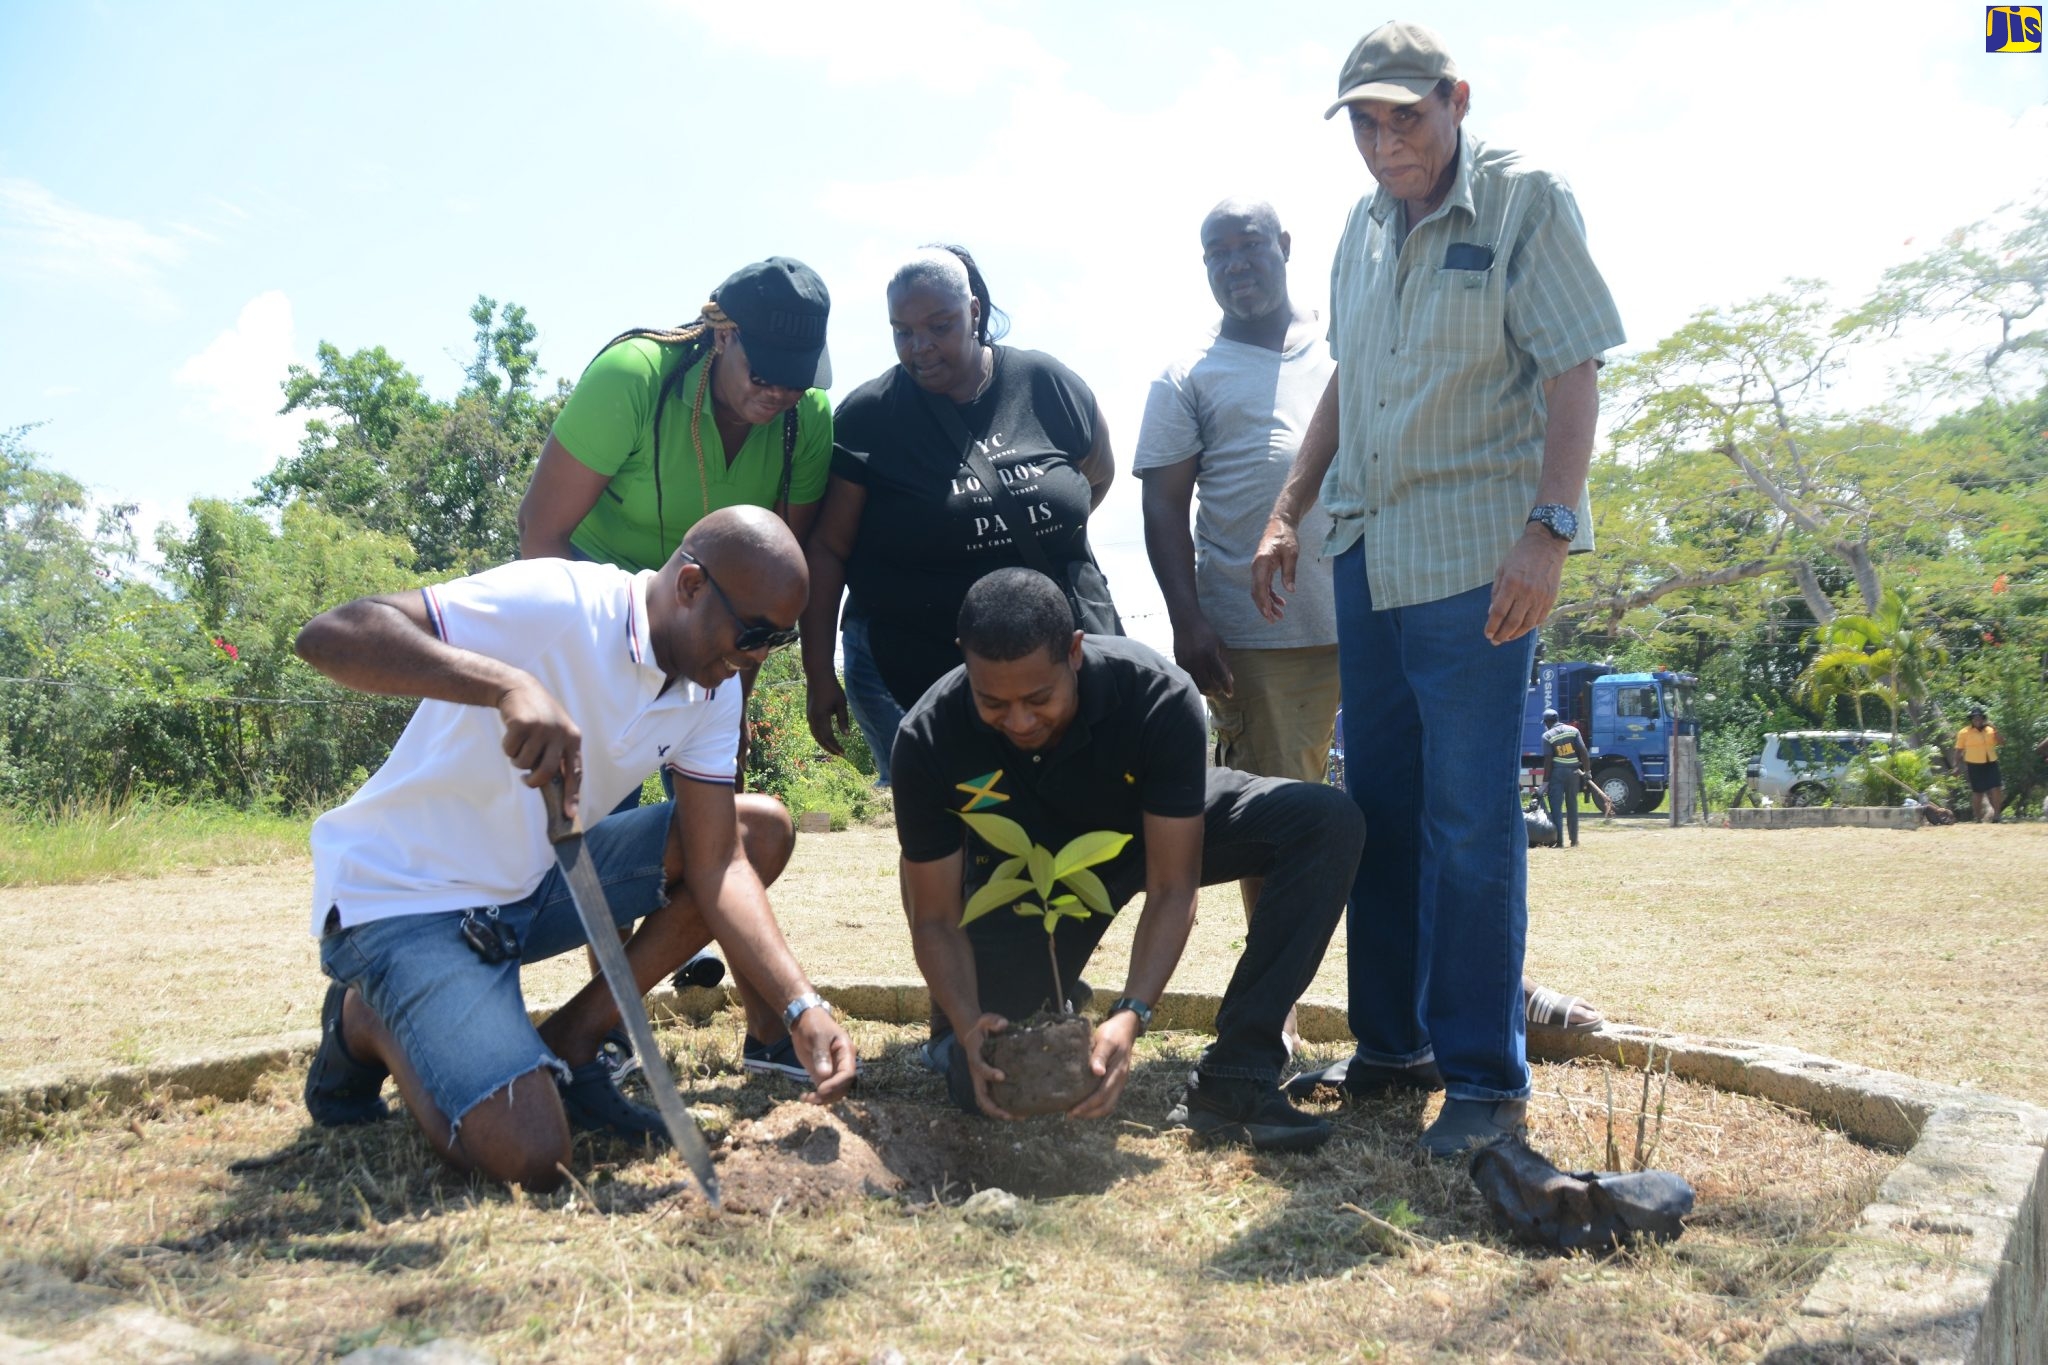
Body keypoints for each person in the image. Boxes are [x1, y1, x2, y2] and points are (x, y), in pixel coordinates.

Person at [1252, 21, 1625, 1157]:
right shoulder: (1359, 231)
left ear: (1454, 100)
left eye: (1402, 117)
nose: (1381, 143)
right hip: (1368, 553)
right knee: (1385, 813)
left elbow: (1572, 365)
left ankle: (1480, 1078)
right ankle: (1393, 1045)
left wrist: (1548, 531)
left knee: (1470, 820)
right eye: (1361, 122)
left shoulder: (1524, 201)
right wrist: (1287, 505)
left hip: (1477, 559)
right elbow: (1343, 381)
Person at [297, 506, 857, 1190]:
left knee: (759, 827)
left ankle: (577, 1035)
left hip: (530, 887)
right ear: (688, 585)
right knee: (532, 1153)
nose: (757, 656)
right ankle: (366, 1018)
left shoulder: (712, 688)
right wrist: (505, 684)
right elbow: (329, 635)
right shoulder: (558, 601)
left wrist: (801, 1002)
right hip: (402, 901)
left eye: (778, 637)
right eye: (751, 633)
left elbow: (719, 863)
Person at [893, 568, 1363, 1153]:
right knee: (991, 1080)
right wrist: (966, 1023)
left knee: (1323, 820)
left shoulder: (1153, 694)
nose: (1018, 721)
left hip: (1148, 829)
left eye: (1039, 698)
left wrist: (1132, 1013)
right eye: (993, 703)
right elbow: (934, 916)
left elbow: (1173, 884)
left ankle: (1237, 1074)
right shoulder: (927, 738)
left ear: (1073, 652)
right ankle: (990, 1025)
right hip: (1034, 876)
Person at [516, 257, 835, 1072]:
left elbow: (776, 582)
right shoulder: (633, 378)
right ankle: (613, 1028)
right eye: (766, 376)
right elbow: (541, 536)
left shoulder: (806, 420)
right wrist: (579, 672)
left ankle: (771, 1029)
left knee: (725, 833)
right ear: (721, 333)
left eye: (796, 386)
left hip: (715, 650)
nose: (778, 400)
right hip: (594, 635)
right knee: (589, 817)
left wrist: (722, 689)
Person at [1135, 199, 1339, 1055]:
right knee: (1278, 824)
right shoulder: (1189, 373)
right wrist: (1188, 620)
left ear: (1285, 246)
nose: (1235, 262)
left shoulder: (1343, 343)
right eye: (1216, 250)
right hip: (1260, 634)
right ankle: (1278, 1011)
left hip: (1378, 608)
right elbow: (1160, 503)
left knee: (1407, 810)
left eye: (1249, 243)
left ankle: (1421, 996)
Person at [801, 246, 1118, 767]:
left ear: (974, 312)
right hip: (923, 676)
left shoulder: (1046, 383)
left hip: (1063, 667)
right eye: (902, 331)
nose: (920, 347)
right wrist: (818, 671)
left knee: (1088, 816)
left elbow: (1094, 479)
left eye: (940, 325)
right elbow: (828, 548)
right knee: (967, 834)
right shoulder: (869, 417)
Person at [1539, 707, 1591, 848]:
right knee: (1572, 806)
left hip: (1557, 774)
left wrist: (1545, 783)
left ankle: (1559, 841)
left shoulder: (1547, 736)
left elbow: (1548, 761)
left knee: (1556, 807)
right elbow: (1583, 751)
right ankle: (1574, 840)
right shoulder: (1573, 731)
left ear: (1547, 722)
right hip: (1574, 773)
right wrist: (1587, 772)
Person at [1955, 708, 2003, 823]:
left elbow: (2002, 742)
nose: (1977, 719)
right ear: (1971, 720)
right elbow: (1958, 750)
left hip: (1991, 762)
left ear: (1983, 718)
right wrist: (1956, 766)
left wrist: (1995, 729)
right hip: (1974, 764)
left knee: (1996, 788)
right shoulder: (1964, 732)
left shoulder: (1990, 730)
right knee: (1978, 792)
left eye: (1979, 717)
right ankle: (1978, 818)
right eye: (1974, 718)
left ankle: (1997, 815)